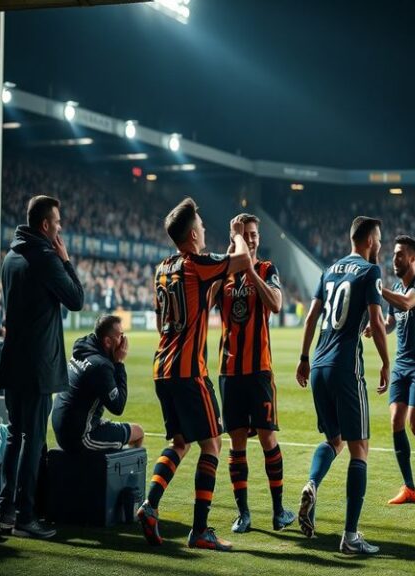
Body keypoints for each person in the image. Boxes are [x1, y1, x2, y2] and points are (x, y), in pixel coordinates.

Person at [137, 198, 250, 552]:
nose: (204, 229)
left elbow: (164, 317)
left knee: (179, 442)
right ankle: (200, 529)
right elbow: (244, 261)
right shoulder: (196, 263)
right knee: (213, 444)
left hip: (163, 369)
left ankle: (149, 504)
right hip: (188, 371)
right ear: (192, 234)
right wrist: (238, 236)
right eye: (200, 225)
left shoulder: (163, 268)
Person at [295, 215, 390, 555]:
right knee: (359, 448)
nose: (380, 245)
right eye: (378, 239)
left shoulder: (329, 270)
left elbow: (311, 317)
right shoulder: (370, 271)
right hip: (346, 366)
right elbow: (377, 323)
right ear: (367, 241)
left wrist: (304, 358)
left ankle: (311, 483)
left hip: (318, 362)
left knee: (334, 440)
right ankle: (350, 537)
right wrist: (385, 363)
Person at [0, 195, 85, 539]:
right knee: (32, 441)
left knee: (14, 439)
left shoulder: (10, 256)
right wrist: (66, 261)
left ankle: (6, 511)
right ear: (46, 225)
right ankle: (26, 516)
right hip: (36, 368)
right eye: (58, 223)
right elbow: (76, 300)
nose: (60, 228)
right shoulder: (45, 257)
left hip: (12, 363)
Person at [209, 213, 295, 534]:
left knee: (268, 438)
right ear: (235, 237)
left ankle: (278, 511)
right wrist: (230, 263)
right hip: (229, 371)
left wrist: (247, 269)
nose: (253, 238)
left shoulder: (267, 269)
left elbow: (275, 303)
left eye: (255, 233)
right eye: (246, 234)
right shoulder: (222, 275)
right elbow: (203, 304)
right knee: (237, 443)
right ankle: (243, 514)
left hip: (259, 370)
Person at [368, 235, 415, 505]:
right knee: (395, 422)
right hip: (400, 365)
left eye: (400, 254)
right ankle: (409, 488)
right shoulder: (393, 287)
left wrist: (378, 290)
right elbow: (392, 320)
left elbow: (406, 303)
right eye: (393, 254)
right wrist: (376, 327)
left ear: (412, 258)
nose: (394, 258)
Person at [51, 314, 144, 453]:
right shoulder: (100, 366)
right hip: (81, 436)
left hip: (62, 427)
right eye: (120, 336)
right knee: (138, 432)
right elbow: (118, 407)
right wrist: (119, 363)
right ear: (107, 341)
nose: (124, 341)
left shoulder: (83, 346)